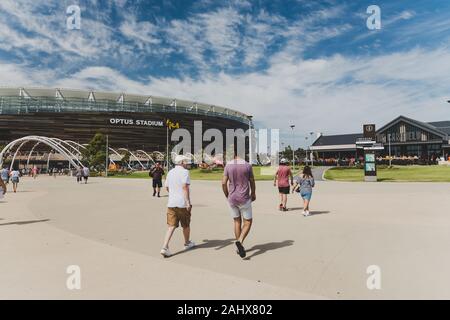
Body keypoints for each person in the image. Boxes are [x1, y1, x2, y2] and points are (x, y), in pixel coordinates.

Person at [222, 148, 256, 258]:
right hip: (244, 198)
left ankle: (238, 246)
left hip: (232, 198)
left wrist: (227, 195)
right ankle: (240, 241)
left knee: (237, 221)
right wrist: (253, 193)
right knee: (248, 222)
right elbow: (252, 181)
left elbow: (223, 183)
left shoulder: (228, 165)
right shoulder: (247, 165)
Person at [160, 155, 195, 257]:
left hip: (171, 203)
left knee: (171, 226)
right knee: (186, 224)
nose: (187, 163)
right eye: (186, 161)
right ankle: (187, 243)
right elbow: (185, 187)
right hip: (182, 204)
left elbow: (167, 187)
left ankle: (164, 247)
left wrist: (174, 194)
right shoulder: (185, 172)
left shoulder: (170, 172)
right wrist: (188, 202)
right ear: (182, 162)